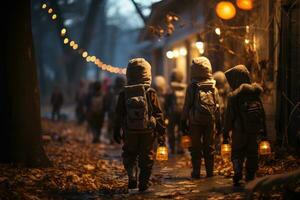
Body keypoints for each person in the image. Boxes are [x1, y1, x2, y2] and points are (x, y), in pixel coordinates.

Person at [113, 58, 166, 192]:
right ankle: (143, 183)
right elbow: (158, 113)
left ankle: (132, 176)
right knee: (146, 155)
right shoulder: (150, 92)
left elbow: (119, 113)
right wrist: (161, 131)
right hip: (148, 130)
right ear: (147, 74)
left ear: (129, 74)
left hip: (129, 130)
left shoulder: (124, 93)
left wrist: (116, 130)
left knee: (129, 154)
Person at [223, 64, 268, 186]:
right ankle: (250, 175)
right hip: (253, 131)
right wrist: (264, 133)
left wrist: (225, 132)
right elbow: (262, 114)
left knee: (237, 152)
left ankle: (238, 171)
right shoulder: (255, 93)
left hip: (239, 131)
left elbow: (229, 117)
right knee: (252, 153)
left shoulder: (233, 97)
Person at [180, 57, 221, 179]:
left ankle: (196, 172)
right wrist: (218, 122)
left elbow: (187, 105)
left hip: (195, 122)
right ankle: (209, 172)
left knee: (196, 147)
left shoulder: (192, 87)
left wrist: (183, 121)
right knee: (209, 146)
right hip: (210, 121)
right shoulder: (213, 86)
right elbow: (218, 106)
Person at [165, 69, 186, 154]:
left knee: (171, 131)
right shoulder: (185, 88)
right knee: (181, 131)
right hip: (182, 113)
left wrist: (166, 113)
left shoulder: (170, 88)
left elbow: (167, 103)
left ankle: (172, 148)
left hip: (172, 113)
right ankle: (180, 148)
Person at [105, 76, 126, 144]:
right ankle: (121, 139)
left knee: (111, 125)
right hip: (122, 112)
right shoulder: (125, 90)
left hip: (112, 111)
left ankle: (112, 138)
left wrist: (107, 109)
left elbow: (108, 101)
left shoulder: (112, 90)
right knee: (122, 125)